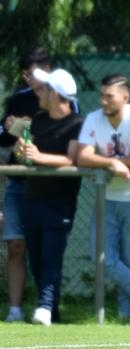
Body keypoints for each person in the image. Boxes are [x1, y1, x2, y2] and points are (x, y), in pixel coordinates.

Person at [76, 74, 130, 325]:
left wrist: (106, 164)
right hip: (108, 198)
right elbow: (83, 156)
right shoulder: (94, 119)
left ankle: (127, 317)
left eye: (109, 96)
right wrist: (111, 163)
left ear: (125, 97)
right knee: (101, 257)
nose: (103, 101)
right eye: (101, 95)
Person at [14, 68, 83, 326]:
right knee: (37, 260)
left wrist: (39, 157)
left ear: (55, 94)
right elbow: (27, 157)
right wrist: (23, 152)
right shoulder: (40, 118)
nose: (39, 94)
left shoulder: (78, 123)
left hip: (60, 203)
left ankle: (43, 306)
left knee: (51, 258)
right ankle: (51, 311)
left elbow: (71, 158)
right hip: (32, 198)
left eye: (44, 89)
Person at [0, 47, 51, 322]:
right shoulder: (18, 99)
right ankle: (15, 310)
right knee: (15, 246)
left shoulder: (62, 100)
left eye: (35, 74)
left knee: (45, 250)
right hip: (18, 183)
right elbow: (3, 137)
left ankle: (48, 307)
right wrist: (7, 128)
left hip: (49, 186)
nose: (30, 79)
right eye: (25, 74)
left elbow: (72, 134)